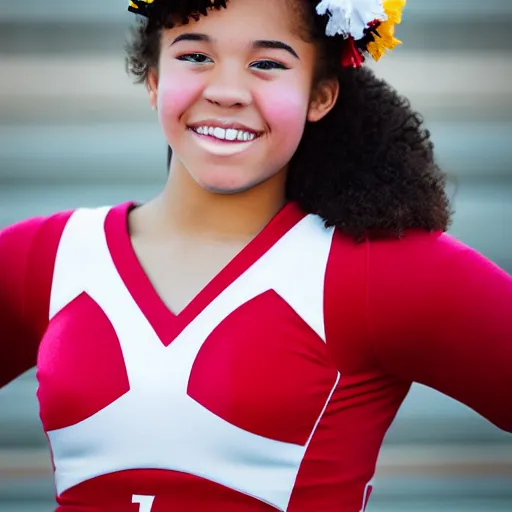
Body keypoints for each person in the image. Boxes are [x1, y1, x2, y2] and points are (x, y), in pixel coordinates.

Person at [0, 0, 511, 510]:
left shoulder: (376, 272)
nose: (226, 92)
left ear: (321, 95)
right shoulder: (43, 258)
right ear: (153, 79)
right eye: (195, 56)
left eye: (267, 63)